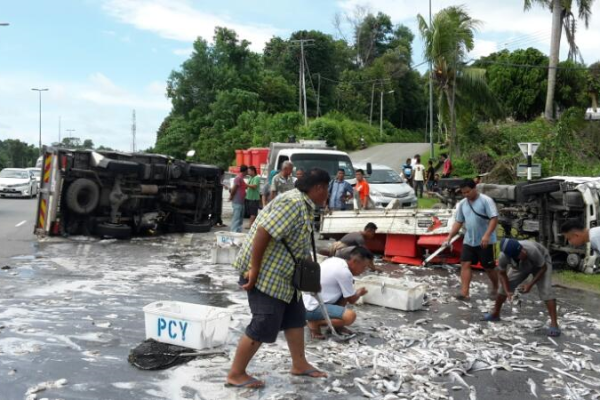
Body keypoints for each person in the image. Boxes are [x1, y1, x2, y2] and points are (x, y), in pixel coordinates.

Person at [226, 168, 331, 389]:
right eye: (326, 189)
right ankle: (236, 374)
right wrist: (254, 269)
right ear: (319, 187)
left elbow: (296, 241)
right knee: (264, 321)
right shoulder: (293, 203)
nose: (327, 194)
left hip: (285, 275)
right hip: (266, 273)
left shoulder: (304, 205)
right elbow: (264, 232)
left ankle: (299, 364)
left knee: (295, 318)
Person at [482, 239, 560, 337]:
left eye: (522, 249)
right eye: (520, 253)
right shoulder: (503, 257)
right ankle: (495, 314)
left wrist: (530, 285)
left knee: (546, 291)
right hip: (520, 265)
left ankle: (554, 324)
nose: (523, 252)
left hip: (541, 263)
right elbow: (502, 274)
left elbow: (543, 268)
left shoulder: (531, 250)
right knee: (502, 289)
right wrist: (507, 292)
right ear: (512, 256)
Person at [444, 179, 499, 301]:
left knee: (489, 267)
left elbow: (494, 219)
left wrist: (487, 235)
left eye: (468, 192)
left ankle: (496, 286)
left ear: (475, 189)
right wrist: (450, 236)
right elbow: (459, 221)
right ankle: (464, 293)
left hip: (486, 241)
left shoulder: (486, 201)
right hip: (469, 240)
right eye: (463, 193)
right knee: (465, 263)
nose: (466, 195)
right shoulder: (463, 204)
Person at [302, 247, 373, 339]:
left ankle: (337, 326)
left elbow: (346, 296)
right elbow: (351, 300)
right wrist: (359, 292)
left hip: (306, 302)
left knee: (347, 291)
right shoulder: (344, 272)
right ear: (355, 262)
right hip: (311, 307)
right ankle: (314, 322)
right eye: (364, 267)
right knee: (350, 316)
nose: (364, 270)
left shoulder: (335, 260)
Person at [229, 165, 248, 233]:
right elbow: (234, 188)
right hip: (237, 201)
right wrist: (231, 196)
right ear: (245, 171)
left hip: (241, 201)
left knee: (240, 219)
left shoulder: (241, 178)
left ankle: (238, 232)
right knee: (236, 218)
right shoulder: (238, 178)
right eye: (247, 171)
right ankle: (233, 232)